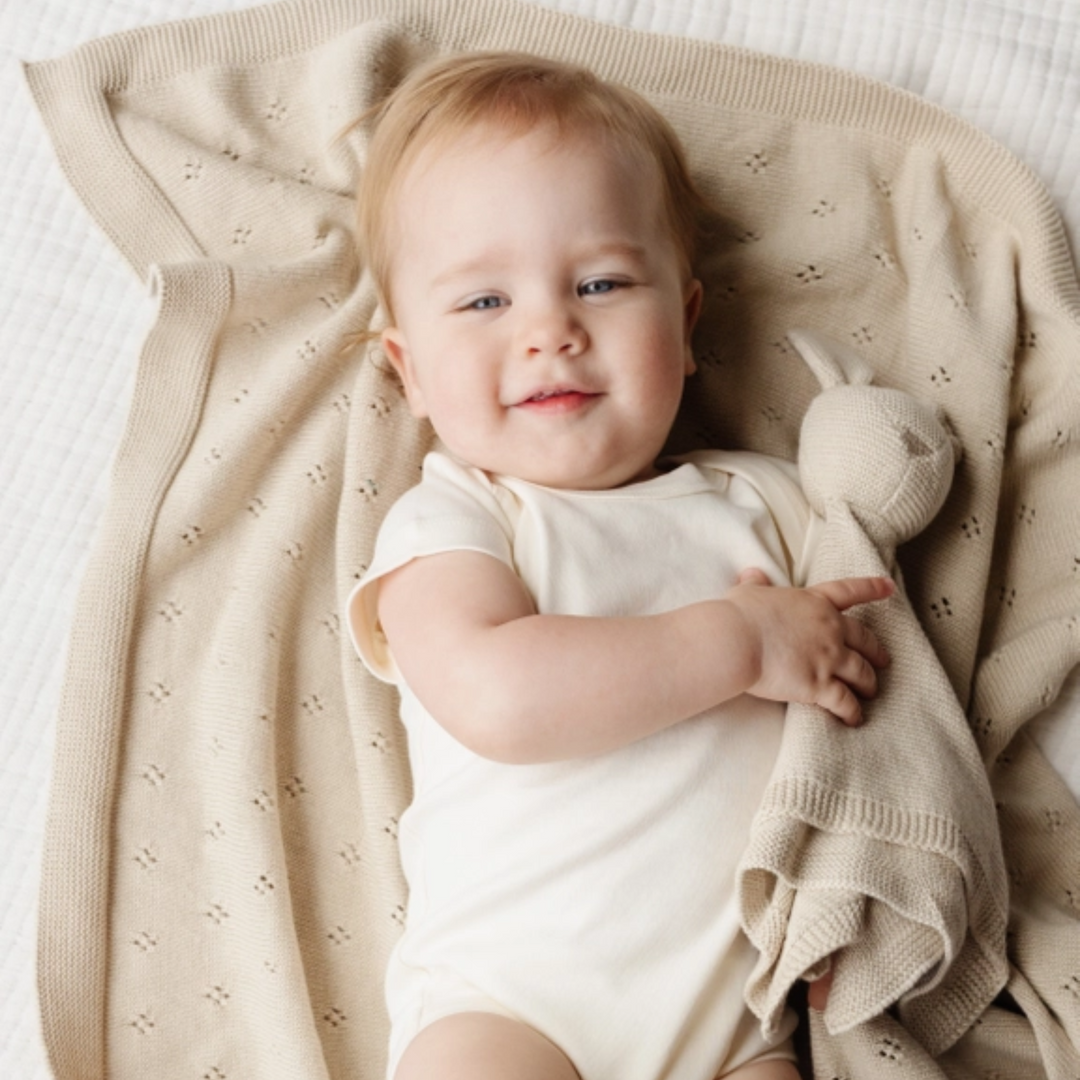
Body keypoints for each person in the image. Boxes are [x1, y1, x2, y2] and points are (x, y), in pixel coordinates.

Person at [345, 51, 893, 1080]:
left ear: (685, 327)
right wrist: (737, 643)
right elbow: (498, 696)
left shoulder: (768, 508)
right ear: (409, 369)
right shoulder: (460, 517)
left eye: (599, 283)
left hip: (733, 1029)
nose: (550, 331)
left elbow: (861, 717)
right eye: (482, 304)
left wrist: (849, 889)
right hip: (511, 1006)